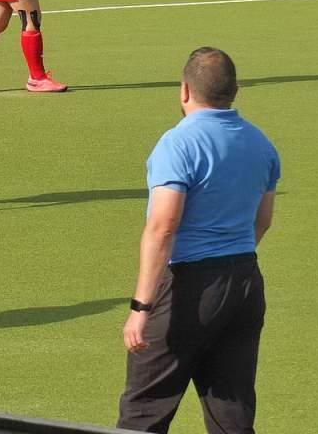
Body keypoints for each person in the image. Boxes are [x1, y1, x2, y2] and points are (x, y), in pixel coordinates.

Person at [117, 47, 280, 433]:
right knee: (232, 414)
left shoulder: (178, 143)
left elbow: (163, 226)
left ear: (185, 90)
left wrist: (141, 306)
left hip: (189, 289)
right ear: (235, 91)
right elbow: (263, 222)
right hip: (245, 284)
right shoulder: (261, 144)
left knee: (143, 411)